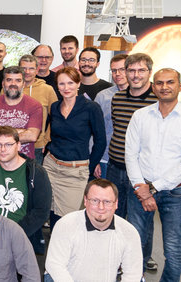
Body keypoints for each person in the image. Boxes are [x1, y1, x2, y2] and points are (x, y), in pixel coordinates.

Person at [126, 68, 181, 281]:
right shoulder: (140, 116)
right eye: (159, 83)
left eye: (170, 82)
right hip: (140, 190)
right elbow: (131, 155)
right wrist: (141, 187)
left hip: (175, 193)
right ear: (153, 87)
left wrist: (152, 189)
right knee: (135, 242)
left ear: (180, 86)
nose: (164, 87)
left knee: (173, 247)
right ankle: (135, 278)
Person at [44, 179, 142, 281]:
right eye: (95, 201)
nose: (101, 207)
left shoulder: (129, 232)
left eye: (107, 202)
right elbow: (55, 265)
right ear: (85, 201)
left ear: (116, 204)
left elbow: (133, 274)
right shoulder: (66, 225)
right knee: (51, 276)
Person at [0, 126, 52, 254]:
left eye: (8, 144)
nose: (3, 149)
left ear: (19, 146)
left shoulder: (35, 172)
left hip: (20, 235)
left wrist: (12, 234)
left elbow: (41, 212)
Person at [43, 67, 105, 224]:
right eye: (61, 84)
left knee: (66, 219)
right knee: (49, 212)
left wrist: (88, 169)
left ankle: (67, 248)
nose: (66, 88)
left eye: (70, 83)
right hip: (51, 166)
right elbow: (53, 135)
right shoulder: (55, 107)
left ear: (78, 84)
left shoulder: (91, 108)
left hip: (74, 172)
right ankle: (53, 247)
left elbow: (100, 141)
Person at [105, 53, 158, 225]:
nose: (136, 75)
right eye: (131, 70)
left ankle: (143, 254)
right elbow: (117, 128)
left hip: (142, 172)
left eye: (141, 70)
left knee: (140, 221)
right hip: (116, 167)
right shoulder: (118, 98)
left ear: (150, 72)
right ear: (126, 72)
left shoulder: (157, 100)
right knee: (114, 216)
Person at [0, 66, 43, 160]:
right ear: (3, 83)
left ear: (23, 84)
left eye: (18, 80)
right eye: (9, 80)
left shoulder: (35, 106)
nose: (13, 84)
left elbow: (32, 136)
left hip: (24, 162)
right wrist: (22, 130)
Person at [92, 54, 129, 180]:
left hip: (132, 161)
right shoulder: (102, 96)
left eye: (122, 69)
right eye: (114, 70)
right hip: (105, 159)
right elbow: (94, 130)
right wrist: (95, 159)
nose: (117, 74)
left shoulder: (139, 98)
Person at [16, 55, 59, 163]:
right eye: (23, 68)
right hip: (11, 143)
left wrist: (47, 140)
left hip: (37, 146)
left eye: (31, 68)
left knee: (32, 179)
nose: (27, 72)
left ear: (37, 70)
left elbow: (56, 117)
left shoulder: (47, 89)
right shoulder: (9, 87)